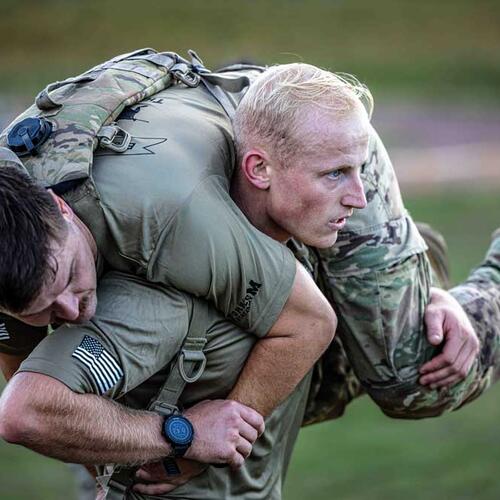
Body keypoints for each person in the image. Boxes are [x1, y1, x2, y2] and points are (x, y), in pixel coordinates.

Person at [0, 62, 496, 497]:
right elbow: (21, 364)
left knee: (405, 374)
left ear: (60, 209)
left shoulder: (172, 217)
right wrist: (102, 457)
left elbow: (308, 322)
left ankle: (426, 279)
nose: (72, 312)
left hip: (307, 138)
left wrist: (197, 441)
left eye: (70, 278)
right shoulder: (11, 216)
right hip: (225, 165)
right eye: (42, 310)